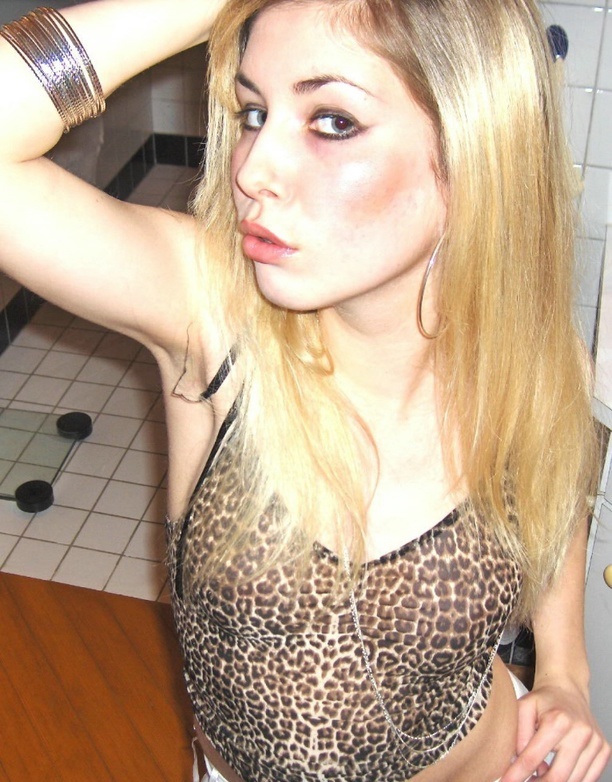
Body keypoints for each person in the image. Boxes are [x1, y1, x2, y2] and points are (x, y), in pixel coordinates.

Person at [0, 0, 610, 780]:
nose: (252, 170)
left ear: (473, 149)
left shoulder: (533, 357)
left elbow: (562, 481)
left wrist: (566, 671)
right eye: (254, 113)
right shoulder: (213, 316)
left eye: (332, 122)